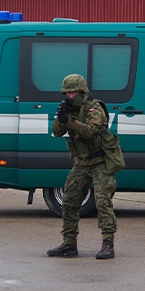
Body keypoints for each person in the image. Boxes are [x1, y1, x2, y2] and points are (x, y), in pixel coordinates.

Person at [47, 74, 117, 260]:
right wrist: (61, 118)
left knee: (102, 202)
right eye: (66, 93)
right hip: (81, 163)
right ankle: (69, 243)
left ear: (82, 91)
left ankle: (107, 243)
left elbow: (89, 131)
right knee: (68, 201)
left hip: (100, 162)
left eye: (73, 92)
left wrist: (69, 121)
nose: (70, 96)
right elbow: (56, 132)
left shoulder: (95, 108)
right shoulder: (69, 108)